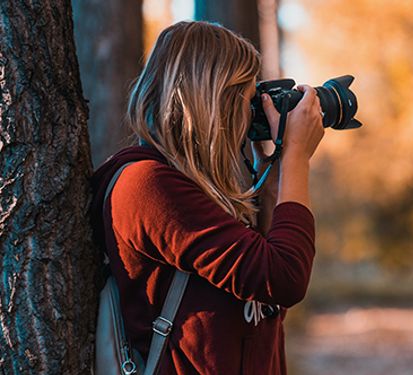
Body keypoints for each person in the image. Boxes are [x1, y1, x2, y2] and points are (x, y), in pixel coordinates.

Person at [89, 21, 324, 374]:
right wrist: (295, 157)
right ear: (216, 101)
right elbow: (284, 277)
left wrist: (271, 169)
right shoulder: (148, 186)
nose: (249, 115)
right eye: (246, 99)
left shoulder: (202, 189)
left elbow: (264, 298)